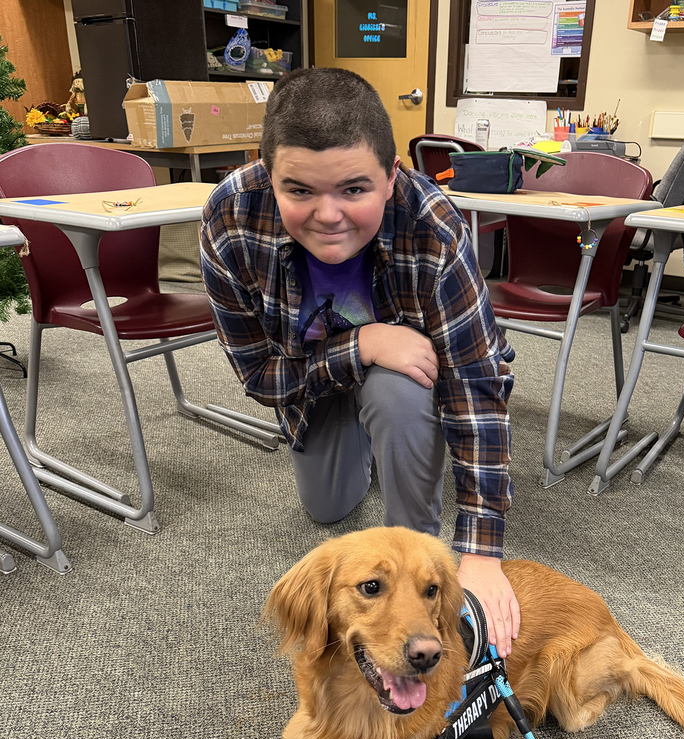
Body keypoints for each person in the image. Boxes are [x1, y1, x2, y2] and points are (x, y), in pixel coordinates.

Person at [200, 67, 520, 656]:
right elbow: (260, 377)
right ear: (266, 173)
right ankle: (369, 447)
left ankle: (415, 535)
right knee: (329, 509)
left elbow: (475, 387)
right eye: (299, 190)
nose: (328, 215)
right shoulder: (229, 219)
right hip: (311, 393)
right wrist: (363, 343)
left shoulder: (433, 226)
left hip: (406, 382)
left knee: (398, 390)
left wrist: (478, 555)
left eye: (354, 189)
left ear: (392, 175)